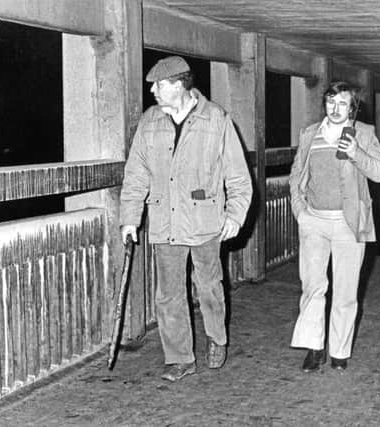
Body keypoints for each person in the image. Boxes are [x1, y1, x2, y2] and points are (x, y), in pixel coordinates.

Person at [119, 56, 252, 382]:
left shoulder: (216, 119)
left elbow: (238, 175)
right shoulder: (150, 121)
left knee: (208, 286)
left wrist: (235, 214)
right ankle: (179, 358)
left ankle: (217, 338)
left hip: (205, 221)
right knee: (169, 294)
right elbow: (136, 173)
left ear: (179, 85)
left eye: (159, 85)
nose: (152, 90)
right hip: (166, 221)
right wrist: (129, 218)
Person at [289, 81, 380, 372]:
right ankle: (314, 348)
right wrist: (300, 212)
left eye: (342, 104)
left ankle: (340, 351)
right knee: (312, 287)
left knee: (346, 291)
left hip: (348, 224)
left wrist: (357, 151)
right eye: (331, 103)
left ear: (352, 108)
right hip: (314, 222)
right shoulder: (310, 134)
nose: (335, 109)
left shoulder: (364, 133)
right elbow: (296, 175)